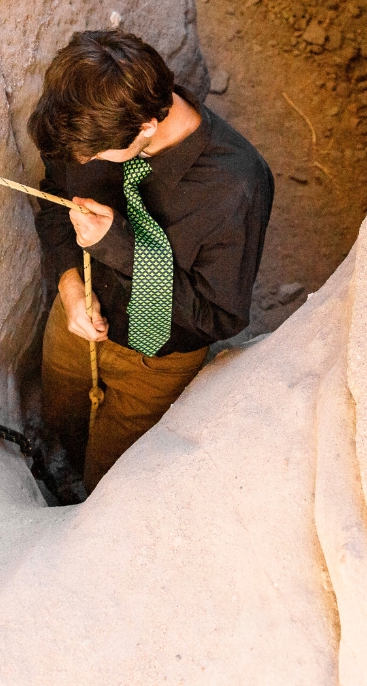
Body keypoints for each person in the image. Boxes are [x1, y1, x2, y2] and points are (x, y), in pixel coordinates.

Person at [28, 30, 274, 494]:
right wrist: (68, 286)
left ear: (144, 127)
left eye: (96, 155)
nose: (83, 162)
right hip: (77, 316)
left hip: (155, 362)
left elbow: (218, 314)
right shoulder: (91, 116)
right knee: (59, 425)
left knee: (109, 483)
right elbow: (56, 197)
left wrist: (117, 245)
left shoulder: (236, 186)